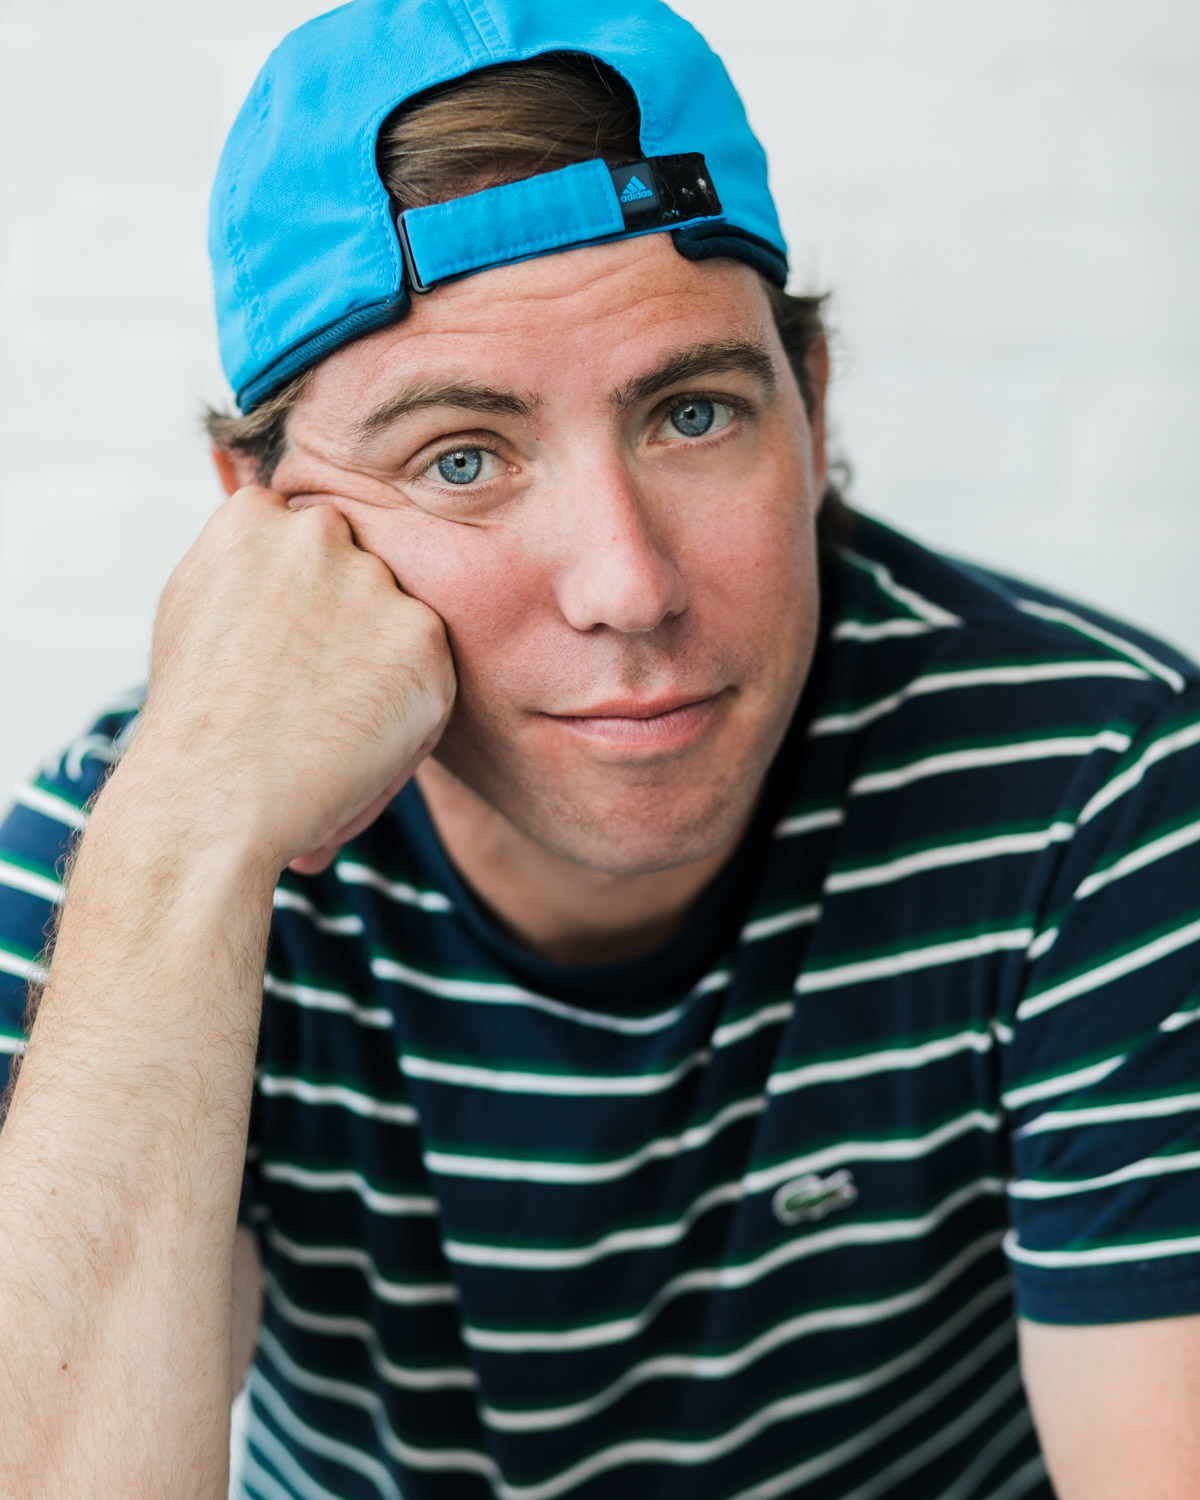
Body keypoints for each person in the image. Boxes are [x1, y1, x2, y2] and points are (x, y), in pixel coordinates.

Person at [0, 0, 1198, 1495]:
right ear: (262, 520)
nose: (626, 584)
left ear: (810, 409)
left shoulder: (1097, 784)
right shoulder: (126, 872)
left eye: (693, 414)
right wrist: (183, 848)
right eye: (461, 457)